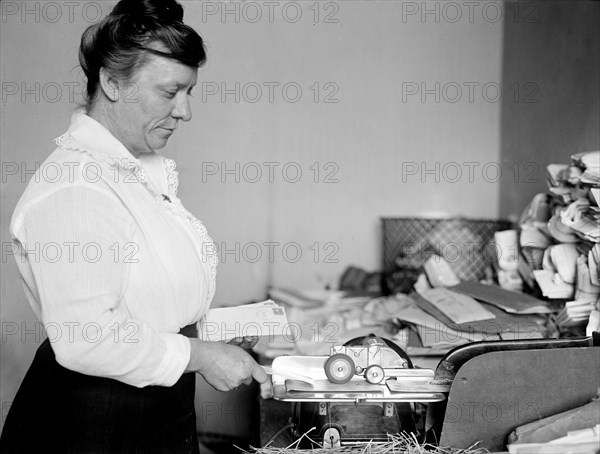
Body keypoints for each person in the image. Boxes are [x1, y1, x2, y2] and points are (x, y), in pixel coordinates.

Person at [0, 0, 267, 452]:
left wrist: (205, 333)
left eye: (190, 92)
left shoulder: (132, 172)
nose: (185, 111)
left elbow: (140, 293)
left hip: (152, 407)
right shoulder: (76, 189)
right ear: (110, 82)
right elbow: (87, 338)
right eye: (169, 92)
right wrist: (203, 356)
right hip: (96, 421)